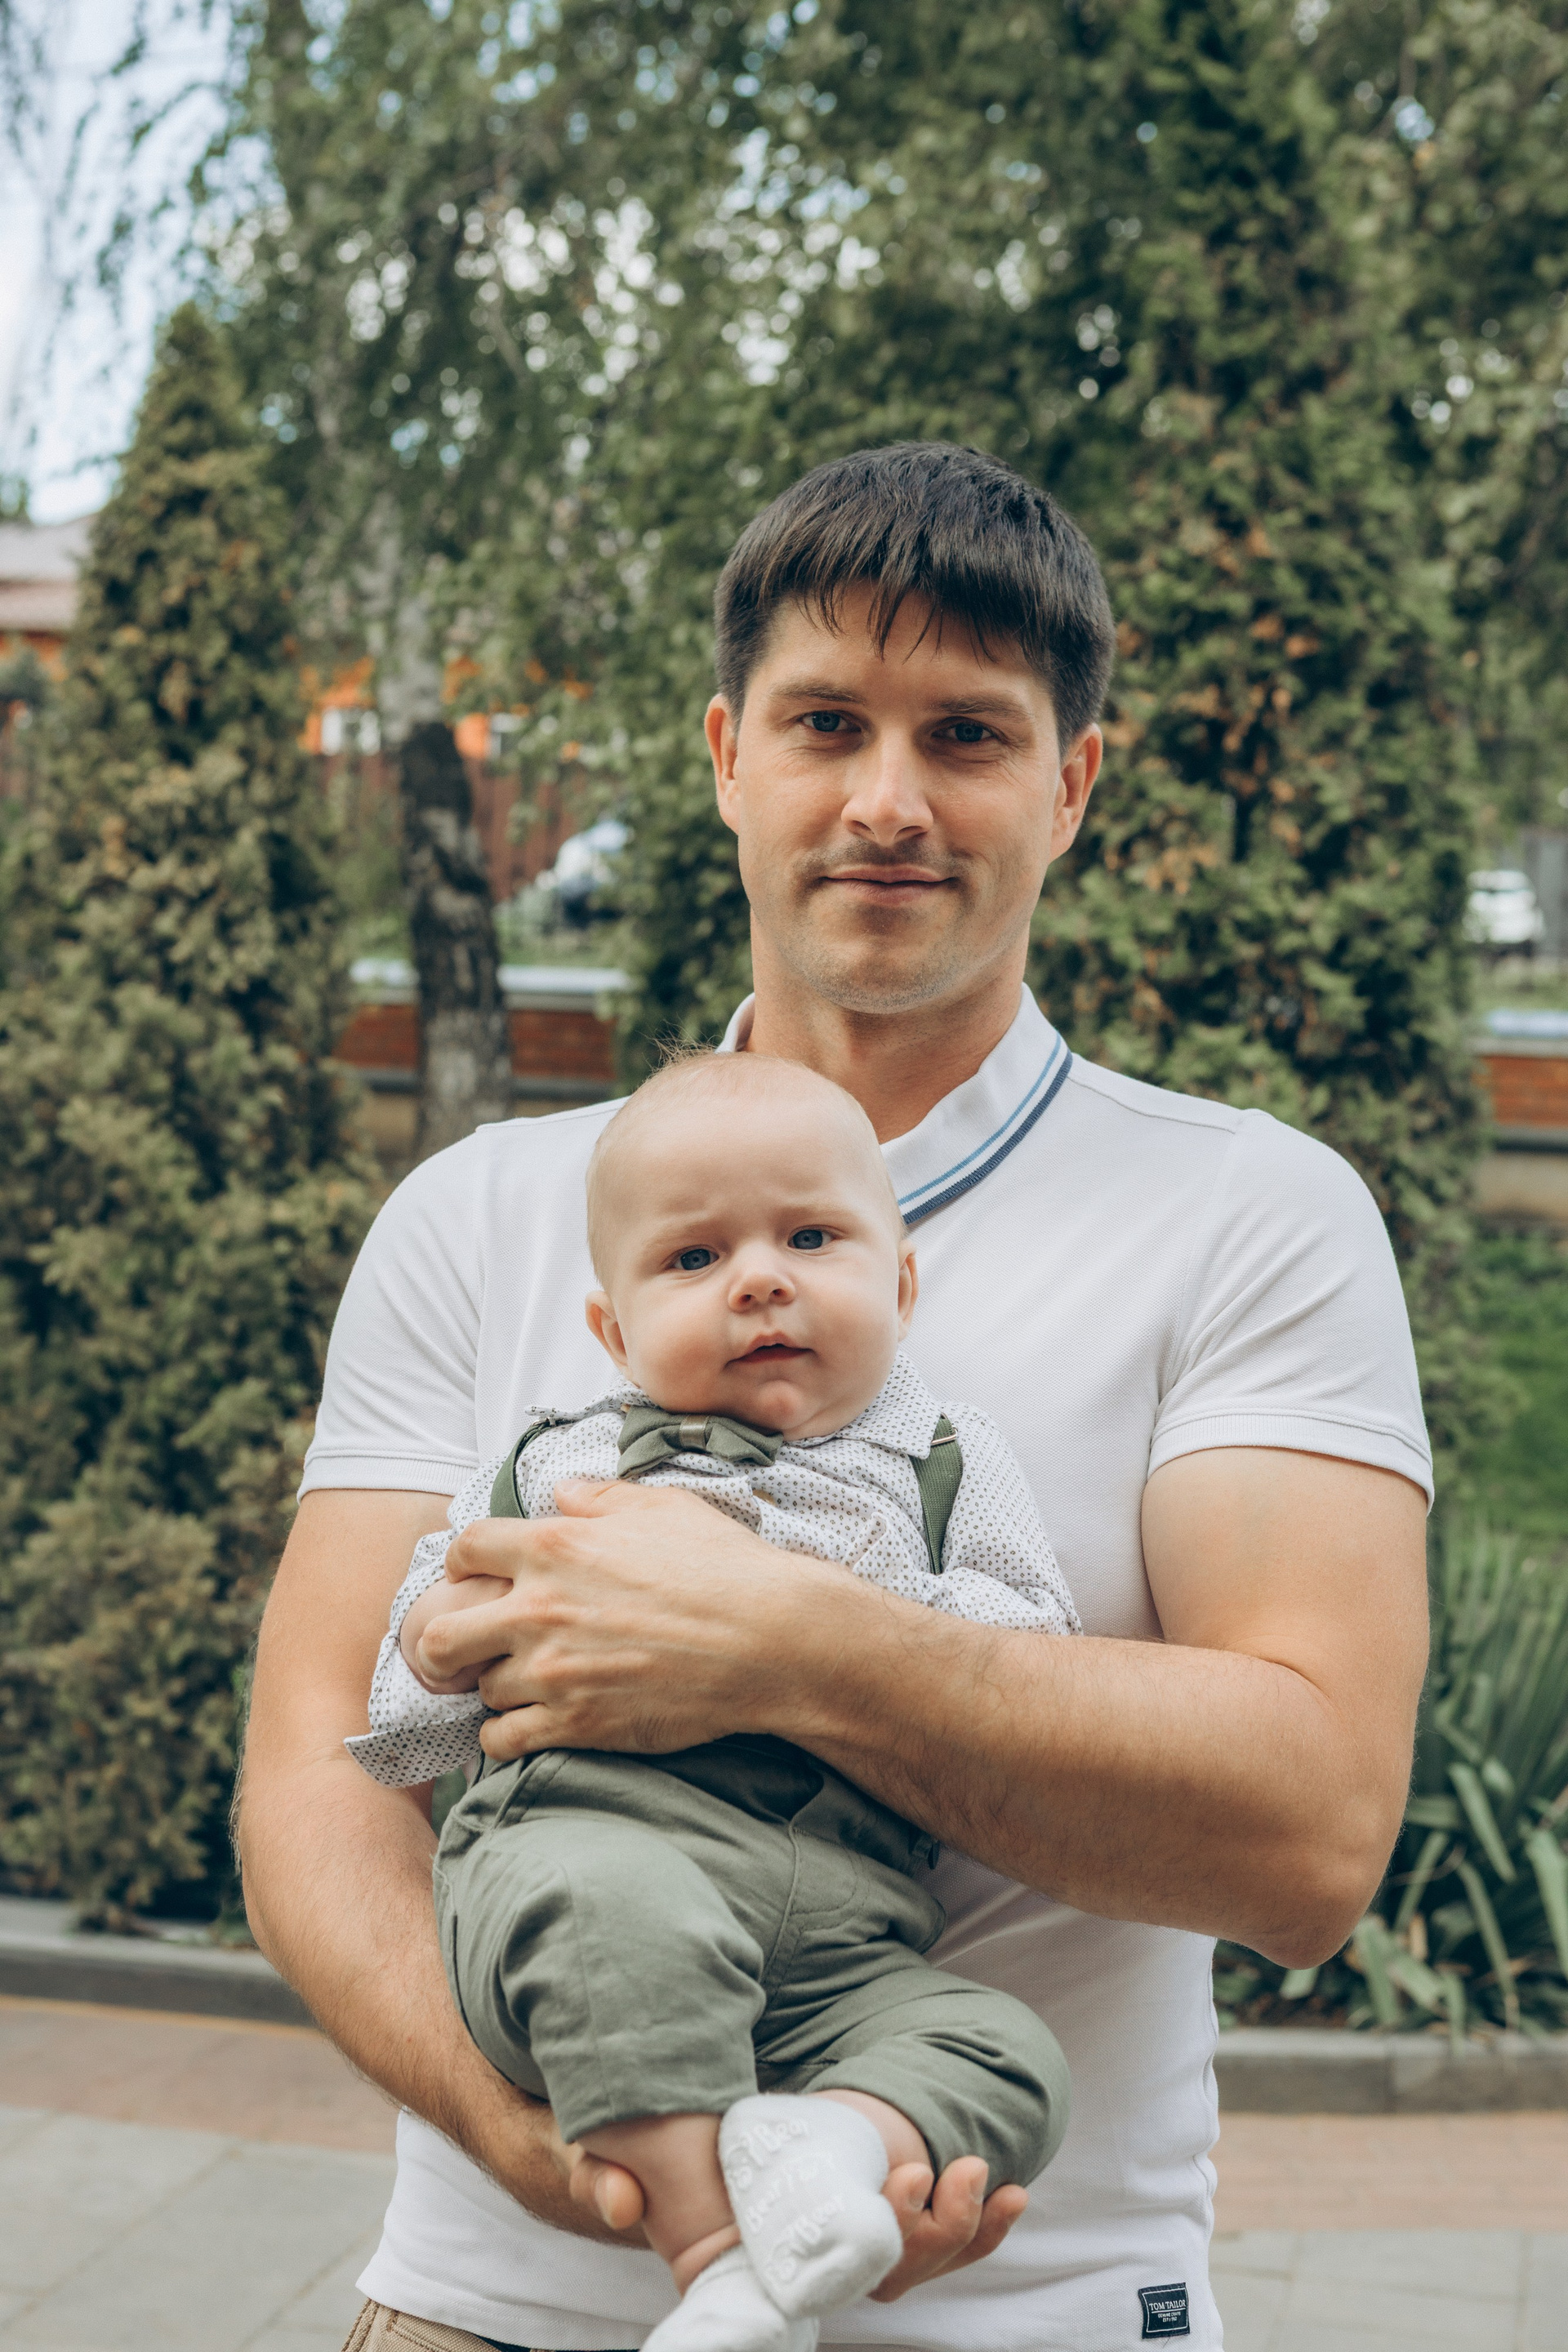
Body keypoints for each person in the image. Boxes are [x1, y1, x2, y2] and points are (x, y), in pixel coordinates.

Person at [242, 441, 1431, 2352]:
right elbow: (318, 1762)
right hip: (496, 2307)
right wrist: (558, 2153)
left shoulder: (1249, 1216)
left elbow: (1308, 1840)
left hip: (1034, 2311)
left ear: (1073, 784)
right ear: (729, 756)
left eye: (967, 734)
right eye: (824, 724)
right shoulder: (484, 1212)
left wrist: (788, 1644)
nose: (887, 801)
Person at [349, 1049, 1079, 2352]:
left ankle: (825, 2147)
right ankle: (722, 2266)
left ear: (901, 1285)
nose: (758, 1279)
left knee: (1007, 2052)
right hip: (593, 1856)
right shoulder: (558, 1461)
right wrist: (440, 1635)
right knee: (617, 1918)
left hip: (844, 1947)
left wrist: (806, 1618)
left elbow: (1035, 1665)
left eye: (812, 1238)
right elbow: (409, 1701)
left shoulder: (948, 1468)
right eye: (693, 1258)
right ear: (615, 1333)